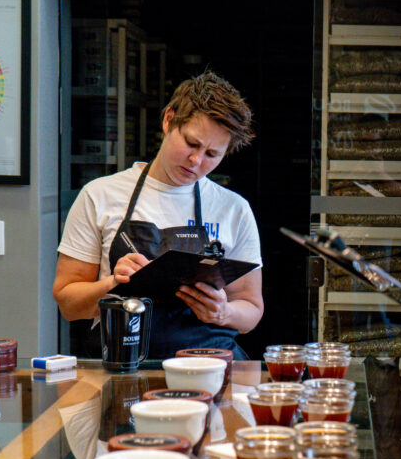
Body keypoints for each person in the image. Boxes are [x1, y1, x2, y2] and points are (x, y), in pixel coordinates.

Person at [54, 72, 263, 360]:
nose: (196, 161)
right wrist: (113, 283)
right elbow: (68, 303)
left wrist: (223, 311)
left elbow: (251, 309)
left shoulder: (233, 208)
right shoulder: (99, 195)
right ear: (168, 120)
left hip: (210, 366)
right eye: (191, 143)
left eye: (212, 154)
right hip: (126, 366)